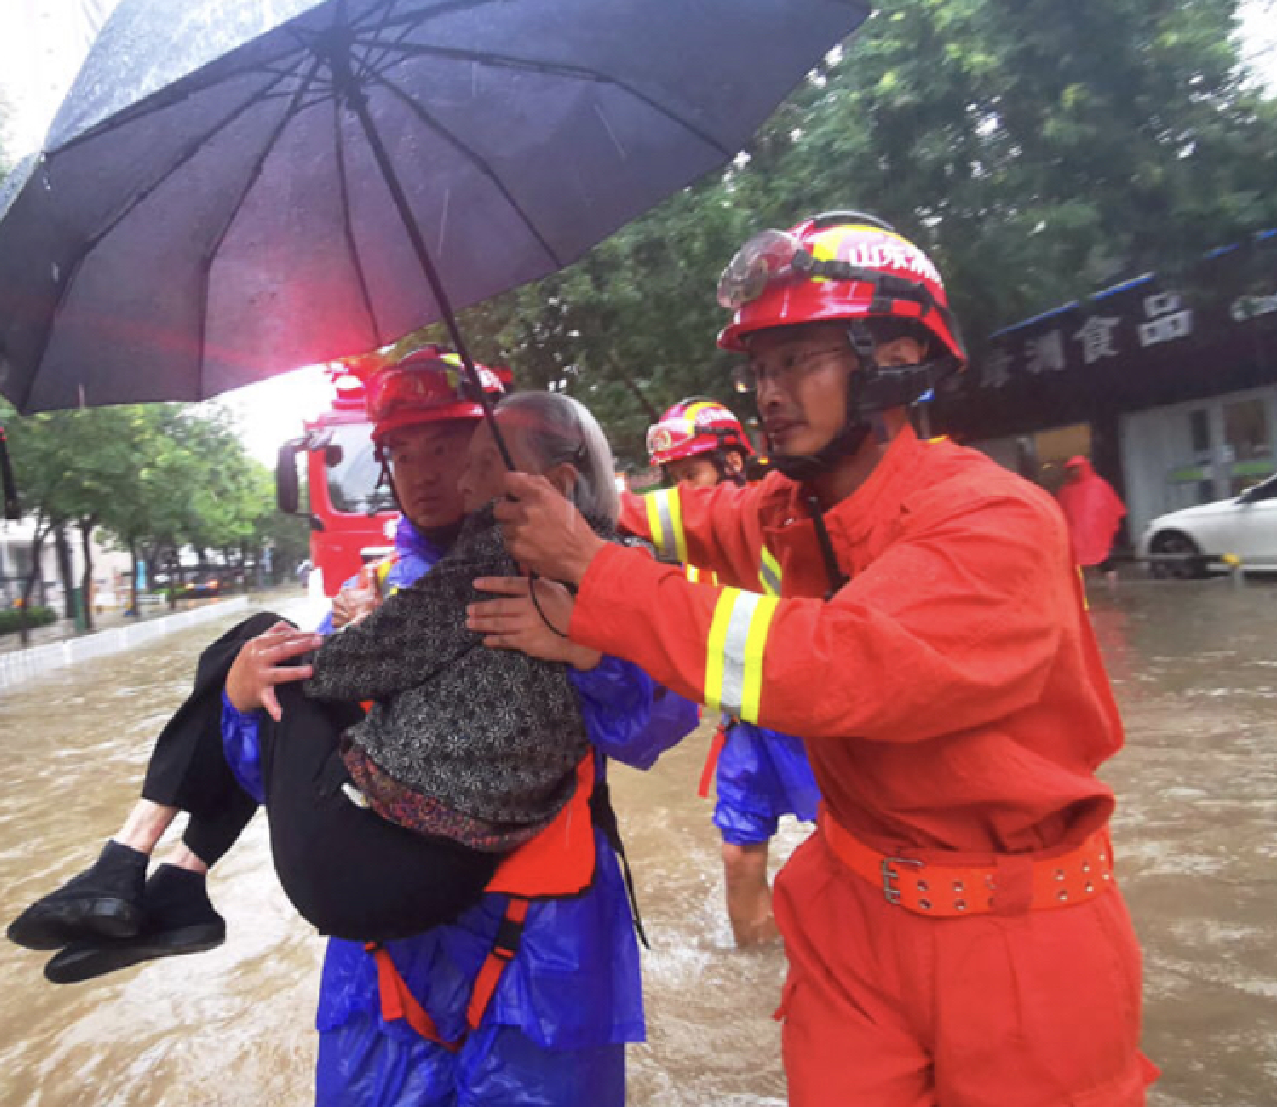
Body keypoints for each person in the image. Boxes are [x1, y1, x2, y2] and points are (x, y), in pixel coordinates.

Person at [475, 213, 1157, 1106]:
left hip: (1015, 936)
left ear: (898, 353)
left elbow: (835, 665)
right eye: (761, 367)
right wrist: (550, 480)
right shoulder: (792, 508)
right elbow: (672, 520)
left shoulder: (997, 518)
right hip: (851, 912)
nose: (770, 390)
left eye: (799, 359)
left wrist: (594, 575)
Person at [15, 352, 692, 1105]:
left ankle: (155, 874)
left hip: (544, 953)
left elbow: (655, 723)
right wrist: (241, 698)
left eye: (449, 447)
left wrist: (590, 642)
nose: (427, 472)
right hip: (383, 964)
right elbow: (273, 778)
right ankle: (167, 881)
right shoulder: (359, 597)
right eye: (401, 451)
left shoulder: (600, 572)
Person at [643, 398, 821, 947]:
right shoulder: (692, 542)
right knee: (739, 846)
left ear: (733, 464)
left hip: (811, 717)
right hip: (745, 720)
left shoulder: (775, 519)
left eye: (690, 474)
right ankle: (756, 961)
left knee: (846, 839)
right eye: (672, 478)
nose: (680, 492)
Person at [1056, 455, 1127, 590]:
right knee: (1077, 563)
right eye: (1071, 469)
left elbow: (1111, 507)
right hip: (1076, 534)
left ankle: (1113, 591)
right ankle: (1084, 593)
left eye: (1076, 468)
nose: (1074, 472)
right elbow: (1061, 511)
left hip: (1097, 535)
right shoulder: (1066, 490)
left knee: (1104, 561)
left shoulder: (1099, 485)